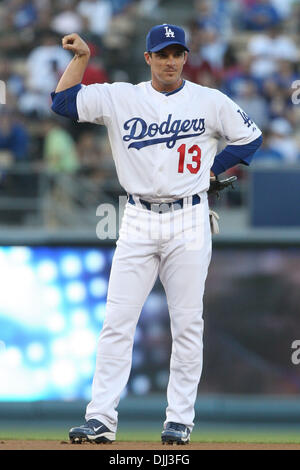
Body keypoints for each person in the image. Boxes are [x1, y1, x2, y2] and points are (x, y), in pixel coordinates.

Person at [51, 24, 262, 445]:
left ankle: (179, 420)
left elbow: (250, 138)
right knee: (116, 321)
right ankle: (100, 419)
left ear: (185, 57)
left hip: (188, 218)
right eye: (162, 54)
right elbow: (62, 103)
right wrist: (81, 60)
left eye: (177, 53)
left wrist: (211, 170)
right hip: (137, 217)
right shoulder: (121, 96)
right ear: (148, 58)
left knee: (187, 324)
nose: (170, 61)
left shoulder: (208, 100)